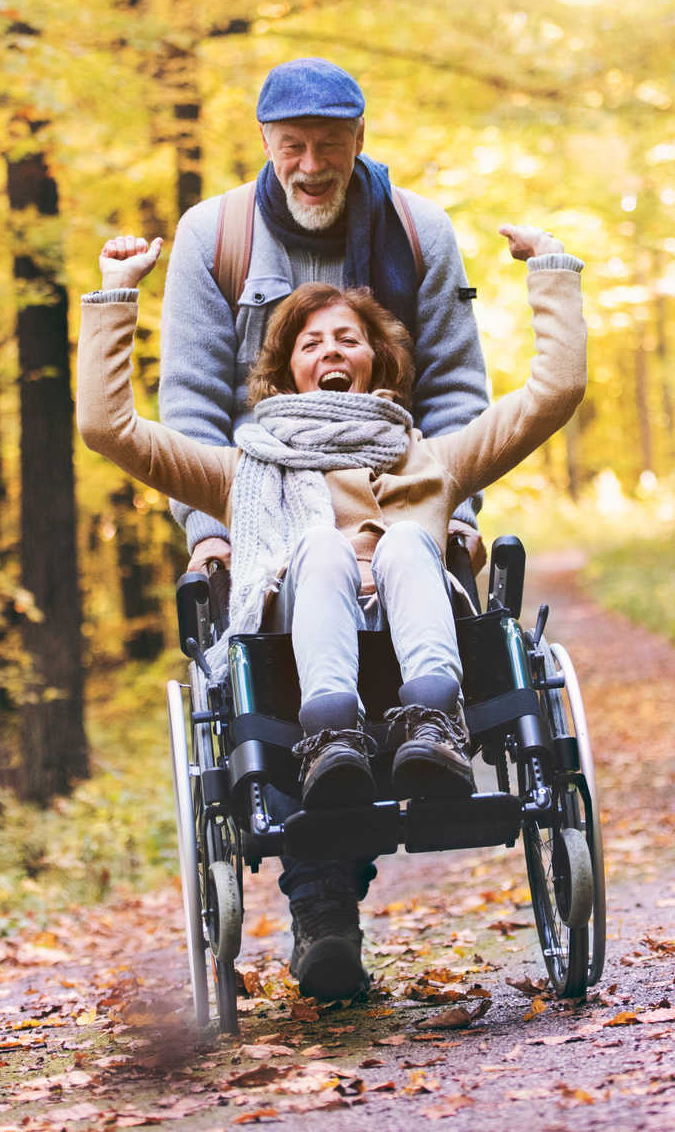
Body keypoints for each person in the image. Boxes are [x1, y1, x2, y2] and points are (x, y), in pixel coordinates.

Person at [78, 223, 587, 998]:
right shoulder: (243, 469)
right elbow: (109, 429)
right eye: (311, 344)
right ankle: (331, 735)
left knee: (411, 548)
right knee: (315, 548)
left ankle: (430, 723)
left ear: (378, 362)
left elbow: (552, 394)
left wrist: (549, 269)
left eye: (348, 339)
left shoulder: (431, 458)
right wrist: (117, 295)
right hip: (298, 664)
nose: (331, 353)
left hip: (419, 639)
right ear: (285, 374)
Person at [151, 58, 497, 996]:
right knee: (285, 659)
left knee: (409, 593)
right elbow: (186, 403)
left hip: (398, 476)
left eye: (330, 146)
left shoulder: (419, 232)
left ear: (358, 142)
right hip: (261, 495)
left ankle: (430, 738)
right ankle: (323, 908)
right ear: (266, 145)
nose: (311, 166)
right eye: (292, 147)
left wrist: (448, 508)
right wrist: (209, 530)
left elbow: (462, 391)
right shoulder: (213, 237)